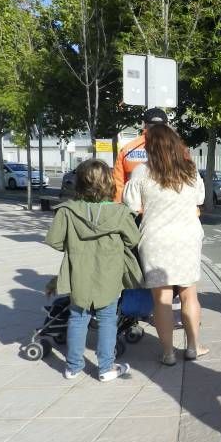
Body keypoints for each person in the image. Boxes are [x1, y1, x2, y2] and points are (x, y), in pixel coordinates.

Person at [45, 158, 141, 381]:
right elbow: (134, 239)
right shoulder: (120, 213)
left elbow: (57, 242)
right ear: (109, 183)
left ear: (79, 183)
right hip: (109, 272)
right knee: (108, 318)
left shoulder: (67, 211)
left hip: (79, 271)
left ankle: (73, 367)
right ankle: (106, 368)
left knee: (78, 317)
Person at [122, 124, 208, 364]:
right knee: (189, 294)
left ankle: (168, 353)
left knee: (162, 299)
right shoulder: (190, 172)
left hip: (156, 240)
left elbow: (130, 205)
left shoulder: (141, 172)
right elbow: (199, 199)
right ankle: (193, 347)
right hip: (187, 239)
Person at [113, 107, 168, 203]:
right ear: (167, 125)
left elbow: (118, 184)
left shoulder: (127, 150)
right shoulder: (178, 149)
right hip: (170, 210)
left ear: (144, 125)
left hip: (136, 211)